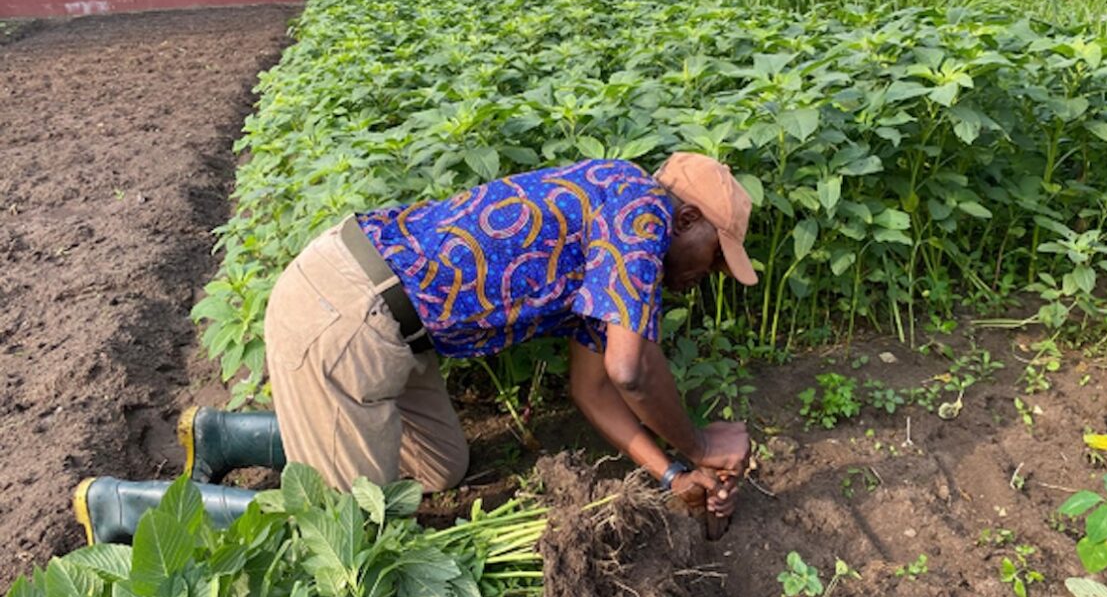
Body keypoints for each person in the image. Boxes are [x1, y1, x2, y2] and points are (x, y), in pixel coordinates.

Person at [74, 152, 756, 542]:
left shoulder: (612, 237)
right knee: (341, 534)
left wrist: (670, 476)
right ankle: (127, 506)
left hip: (396, 328)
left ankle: (225, 437)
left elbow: (596, 388)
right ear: (687, 217)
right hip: (345, 316)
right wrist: (699, 445)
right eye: (715, 256)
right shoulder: (641, 209)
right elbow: (632, 370)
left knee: (440, 470)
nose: (709, 273)